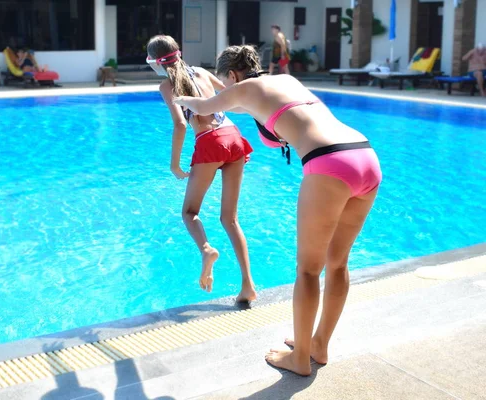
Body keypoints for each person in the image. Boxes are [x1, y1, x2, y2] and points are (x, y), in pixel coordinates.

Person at [174, 45, 382, 376]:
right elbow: (253, 110)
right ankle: (319, 345)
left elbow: (203, 105)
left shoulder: (243, 88)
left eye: (227, 83)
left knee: (309, 270)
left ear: (231, 75)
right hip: (364, 156)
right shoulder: (285, 81)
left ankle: (300, 358)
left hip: (330, 162)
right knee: (338, 263)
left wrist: (179, 99)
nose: (228, 90)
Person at [146, 35, 257, 302]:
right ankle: (248, 286)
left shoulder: (167, 86)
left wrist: (175, 165)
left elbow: (180, 125)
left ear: (155, 63)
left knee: (189, 212)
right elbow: (234, 96)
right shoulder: (202, 72)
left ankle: (206, 249)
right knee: (230, 219)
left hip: (210, 143)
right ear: (179, 53)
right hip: (233, 136)